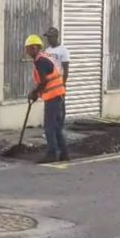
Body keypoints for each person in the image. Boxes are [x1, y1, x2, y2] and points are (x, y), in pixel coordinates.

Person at [25, 34, 69, 163]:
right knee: (56, 127)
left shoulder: (40, 61)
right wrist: (37, 93)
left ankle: (52, 154)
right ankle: (64, 154)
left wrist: (34, 92)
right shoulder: (43, 58)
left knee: (49, 127)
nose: (26, 51)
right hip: (58, 96)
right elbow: (46, 81)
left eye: (28, 48)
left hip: (53, 98)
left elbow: (43, 81)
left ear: (34, 48)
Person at [43, 27, 69, 120]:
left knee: (59, 108)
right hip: (49, 84)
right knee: (49, 108)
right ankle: (49, 130)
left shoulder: (63, 50)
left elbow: (65, 70)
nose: (48, 39)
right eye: (47, 37)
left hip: (58, 84)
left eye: (50, 37)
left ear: (56, 36)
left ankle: (59, 129)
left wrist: (63, 84)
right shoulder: (47, 51)